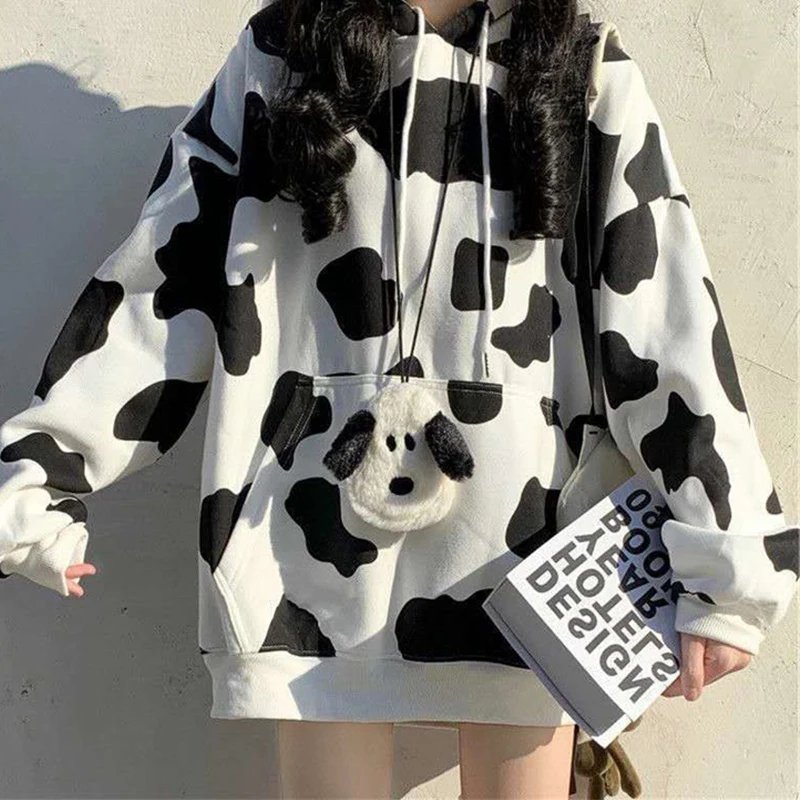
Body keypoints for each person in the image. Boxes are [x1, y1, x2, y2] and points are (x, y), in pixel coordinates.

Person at [0, 0, 796, 797]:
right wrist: (40, 473)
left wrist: (730, 563)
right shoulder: (284, 56)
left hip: (528, 557)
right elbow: (164, 281)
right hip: (305, 553)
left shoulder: (579, 68)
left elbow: (661, 311)